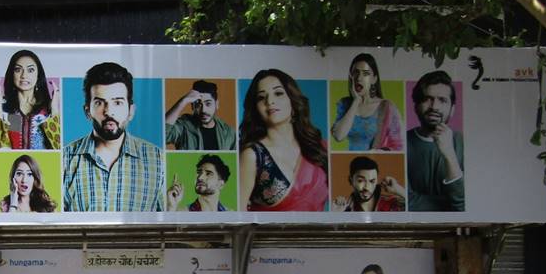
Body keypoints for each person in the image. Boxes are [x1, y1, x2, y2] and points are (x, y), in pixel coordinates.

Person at [63, 61, 164, 212]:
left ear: (131, 111)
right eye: (99, 103)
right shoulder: (65, 158)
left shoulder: (157, 160)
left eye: (117, 102)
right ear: (87, 111)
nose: (109, 112)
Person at [239, 68, 330, 212]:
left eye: (278, 93)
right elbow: (238, 217)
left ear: (293, 100)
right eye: (261, 97)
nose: (270, 101)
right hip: (267, 234)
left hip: (320, 233)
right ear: (256, 108)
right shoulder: (253, 156)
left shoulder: (320, 148)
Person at [406, 70, 466, 211]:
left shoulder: (464, 143)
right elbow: (406, 202)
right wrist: (448, 204)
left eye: (442, 100)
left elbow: (463, 205)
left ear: (452, 109)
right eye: (427, 99)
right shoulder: (402, 142)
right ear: (416, 107)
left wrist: (449, 154)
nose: (434, 106)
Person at [330, 53, 403, 151]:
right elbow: (338, 136)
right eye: (356, 73)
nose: (359, 78)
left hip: (376, 163)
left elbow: (398, 145)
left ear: (374, 79)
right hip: (349, 162)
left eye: (365, 74)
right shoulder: (345, 104)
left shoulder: (387, 107)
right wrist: (356, 101)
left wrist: (379, 152)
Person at [0, 49, 60, 151]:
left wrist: (54, 109)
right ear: (12, 73)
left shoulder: (48, 109)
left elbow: (58, 146)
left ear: (38, 74)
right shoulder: (5, 108)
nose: (24, 75)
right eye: (18, 70)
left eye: (30, 70)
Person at [164, 79, 236, 151]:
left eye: (208, 104)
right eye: (198, 105)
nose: (203, 110)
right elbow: (163, 136)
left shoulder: (228, 133)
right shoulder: (184, 126)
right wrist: (183, 101)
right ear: (192, 106)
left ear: (216, 104)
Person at [332, 155, 407, 213]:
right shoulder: (345, 209)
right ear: (350, 180)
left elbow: (414, 210)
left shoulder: (391, 202)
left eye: (372, 181)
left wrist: (398, 189)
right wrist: (335, 214)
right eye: (360, 181)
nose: (367, 187)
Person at [166, 154, 230, 212]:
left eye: (208, 173)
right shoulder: (183, 212)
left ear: (221, 184)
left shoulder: (229, 214)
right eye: (199, 172)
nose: (200, 177)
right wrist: (171, 207)